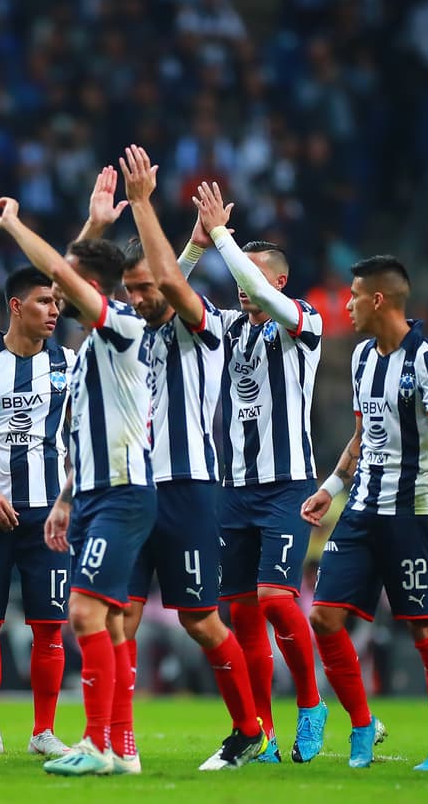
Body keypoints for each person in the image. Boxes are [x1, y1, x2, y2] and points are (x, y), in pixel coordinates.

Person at [86, 151, 269, 771]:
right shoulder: (136, 332)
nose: (139, 298)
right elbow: (126, 285)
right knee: (119, 617)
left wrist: (142, 202)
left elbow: (170, 281)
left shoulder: (205, 324)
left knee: (199, 621)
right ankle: (118, 744)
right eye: (131, 290)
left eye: (145, 288)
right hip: (132, 489)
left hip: (190, 487)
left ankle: (249, 729)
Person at [0, 194, 155, 777]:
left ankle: (95, 742)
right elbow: (80, 431)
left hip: (124, 491)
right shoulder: (86, 354)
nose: (57, 295)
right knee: (105, 620)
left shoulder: (126, 328)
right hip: (90, 494)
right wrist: (64, 499)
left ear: (91, 286)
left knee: (82, 613)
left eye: (70, 283)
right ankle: (115, 750)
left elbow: (58, 271)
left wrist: (12, 224)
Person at [302, 254, 428, 772]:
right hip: (361, 509)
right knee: (324, 618)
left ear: (378, 299)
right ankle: (362, 723)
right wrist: (332, 486)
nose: (345, 306)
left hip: (413, 512)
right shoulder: (360, 358)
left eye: (352, 296)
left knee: (424, 630)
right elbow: (361, 436)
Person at [186, 176, 330, 761]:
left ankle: (311, 705)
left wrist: (223, 236)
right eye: (241, 275)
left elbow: (255, 289)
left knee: (276, 600)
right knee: (242, 612)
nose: (244, 286)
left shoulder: (306, 322)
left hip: (288, 483)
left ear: (279, 280)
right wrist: (198, 244)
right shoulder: (225, 330)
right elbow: (171, 292)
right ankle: (262, 734)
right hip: (233, 489)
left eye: (255, 274)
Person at [0, 266, 75, 759]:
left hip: (48, 513)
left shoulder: (70, 363)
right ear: (15, 306)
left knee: (49, 624)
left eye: (57, 303)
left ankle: (43, 732)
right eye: (43, 302)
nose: (54, 311)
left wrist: (69, 497)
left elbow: (85, 435)